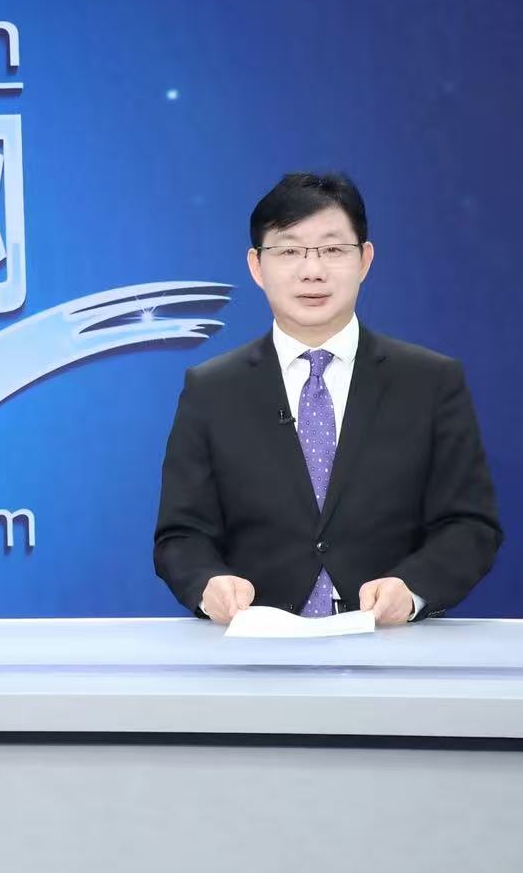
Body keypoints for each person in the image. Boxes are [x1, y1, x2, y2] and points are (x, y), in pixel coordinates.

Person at [153, 173, 501, 625]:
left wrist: (412, 588)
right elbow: (181, 535)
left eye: (333, 250)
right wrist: (208, 584)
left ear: (365, 260)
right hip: (258, 648)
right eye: (289, 251)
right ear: (256, 266)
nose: (312, 271)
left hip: (389, 644)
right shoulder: (212, 389)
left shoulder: (430, 382)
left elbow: (470, 526)